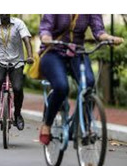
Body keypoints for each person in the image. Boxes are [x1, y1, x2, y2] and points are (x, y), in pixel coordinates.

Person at [39, 14, 124, 145]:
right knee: (62, 87)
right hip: (54, 51)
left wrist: (109, 38)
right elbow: (46, 27)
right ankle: (47, 124)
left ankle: (83, 127)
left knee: (89, 84)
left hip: (76, 52)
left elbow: (98, 30)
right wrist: (46, 37)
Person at [0, 14, 34, 130]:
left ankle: (17, 114)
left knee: (18, 88)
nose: (4, 14)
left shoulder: (19, 24)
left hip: (16, 62)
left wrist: (30, 56)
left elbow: (26, 40)